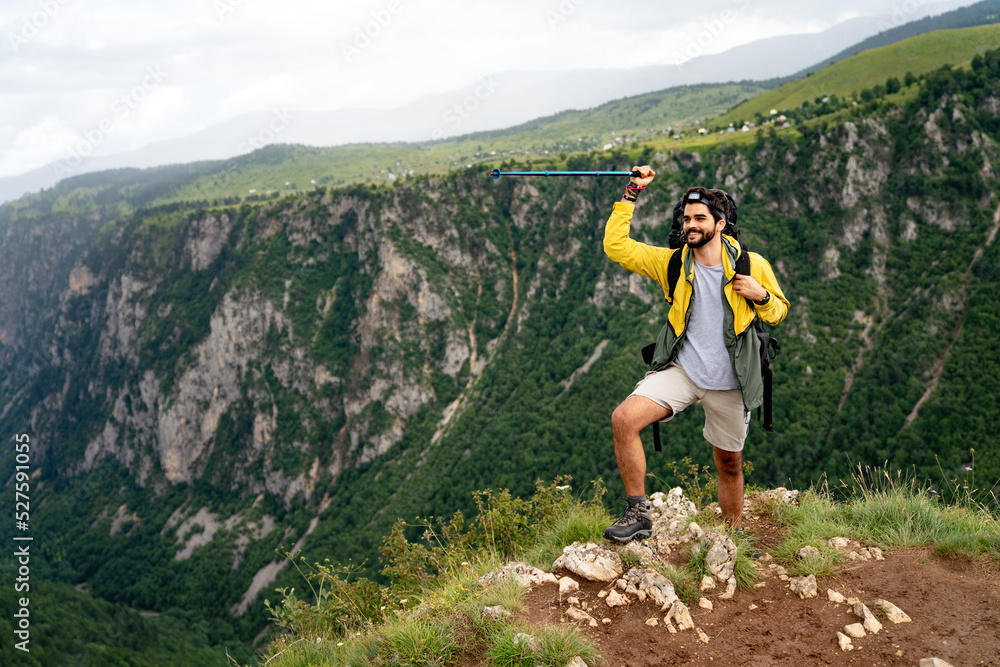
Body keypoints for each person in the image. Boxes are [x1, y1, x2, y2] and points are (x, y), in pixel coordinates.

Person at [601, 165, 789, 543]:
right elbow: (616, 247)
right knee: (624, 419)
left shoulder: (752, 266)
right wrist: (631, 194)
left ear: (720, 224)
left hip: (730, 381)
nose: (691, 225)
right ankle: (638, 512)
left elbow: (779, 311)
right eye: (687, 218)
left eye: (700, 218)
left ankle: (733, 536)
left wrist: (762, 295)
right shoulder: (672, 262)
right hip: (684, 370)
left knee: (729, 463)